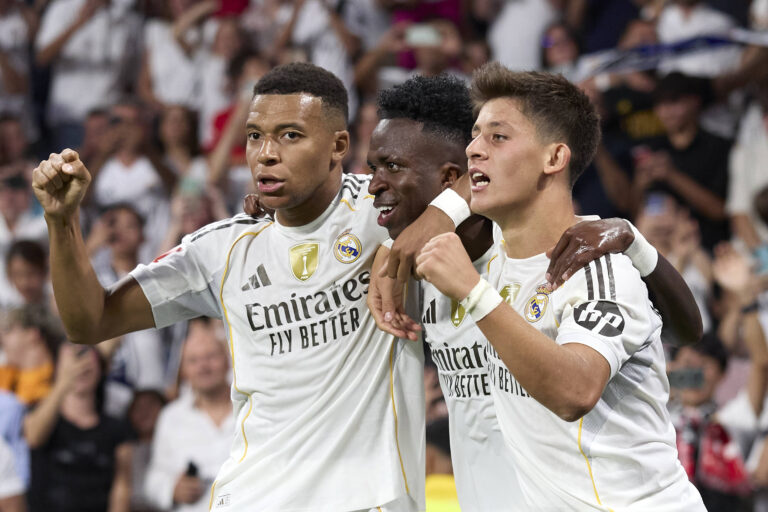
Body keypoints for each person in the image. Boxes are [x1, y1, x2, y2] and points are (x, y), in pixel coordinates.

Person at [32, 62, 454, 511]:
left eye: (290, 135)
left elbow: (474, 180)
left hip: (367, 497)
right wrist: (62, 222)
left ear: (339, 145)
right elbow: (88, 322)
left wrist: (423, 229)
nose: (265, 153)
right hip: (252, 497)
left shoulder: (384, 211)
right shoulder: (224, 249)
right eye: (255, 135)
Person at [366, 74, 703, 511]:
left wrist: (472, 290)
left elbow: (575, 392)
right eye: (474, 137)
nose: (475, 149)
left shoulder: (595, 265)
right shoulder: (502, 260)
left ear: (555, 157)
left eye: (497, 136)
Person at [144, 319, 233, 512]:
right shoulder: (170, 417)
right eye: (193, 360)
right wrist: (172, 489)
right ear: (183, 370)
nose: (203, 366)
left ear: (227, 359)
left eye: (211, 357)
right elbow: (153, 478)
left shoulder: (251, 409)